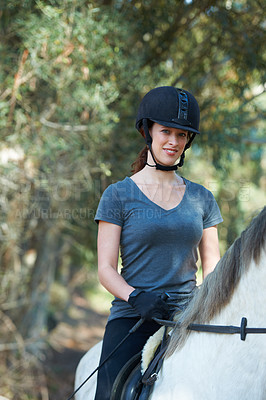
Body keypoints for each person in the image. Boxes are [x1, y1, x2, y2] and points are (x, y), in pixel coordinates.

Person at [93, 86, 223, 399]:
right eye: (166, 131)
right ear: (148, 131)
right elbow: (106, 269)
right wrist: (135, 296)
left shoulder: (202, 198)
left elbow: (214, 267)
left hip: (188, 318)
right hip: (133, 316)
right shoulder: (118, 195)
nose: (174, 142)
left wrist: (204, 303)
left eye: (182, 135)